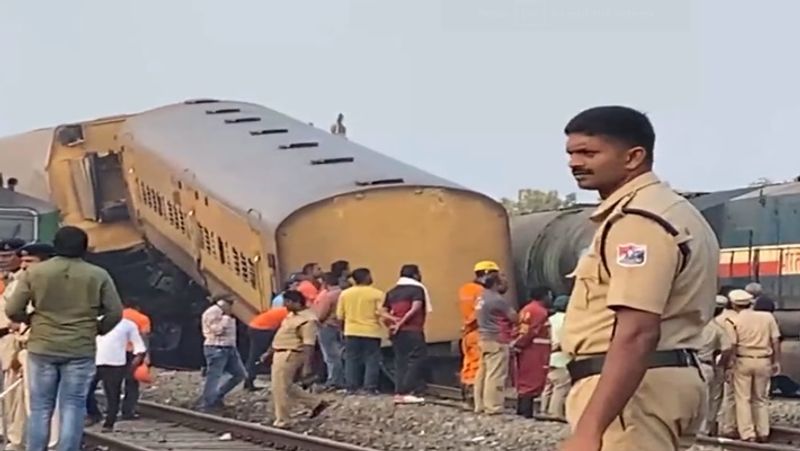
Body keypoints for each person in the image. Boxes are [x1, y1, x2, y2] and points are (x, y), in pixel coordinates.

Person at [557, 106, 719, 451]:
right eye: (571, 153)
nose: (574, 162)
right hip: (656, 382)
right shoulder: (674, 211)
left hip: (632, 393)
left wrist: (590, 429)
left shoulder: (639, 221)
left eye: (588, 152)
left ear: (633, 157)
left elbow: (637, 332)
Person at [6, 226, 124, 451]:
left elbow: (13, 309)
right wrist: (97, 328)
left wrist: (30, 320)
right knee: (73, 404)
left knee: (40, 406)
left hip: (42, 346)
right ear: (84, 247)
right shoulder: (98, 274)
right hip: (80, 348)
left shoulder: (35, 273)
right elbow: (115, 312)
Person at [2, 242, 58, 450]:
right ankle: (17, 441)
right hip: (16, 346)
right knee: (16, 402)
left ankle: (50, 444)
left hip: (38, 345)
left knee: (38, 400)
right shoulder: (19, 281)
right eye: (23, 260)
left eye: (29, 261)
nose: (24, 265)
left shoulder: (51, 284)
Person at [266, 290, 330, 427]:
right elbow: (282, 335)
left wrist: (307, 366)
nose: (285, 305)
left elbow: (308, 344)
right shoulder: (291, 316)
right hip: (280, 351)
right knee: (286, 386)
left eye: (288, 302)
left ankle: (282, 420)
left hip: (290, 353)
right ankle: (316, 403)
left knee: (279, 388)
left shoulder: (307, 320)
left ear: (296, 302)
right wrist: (269, 352)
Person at [726, 289, 781, 443]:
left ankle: (748, 433)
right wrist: (776, 361)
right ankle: (763, 431)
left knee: (743, 398)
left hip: (743, 360)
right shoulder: (768, 317)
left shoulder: (733, 320)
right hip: (764, 360)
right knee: (761, 398)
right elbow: (775, 341)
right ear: (750, 302)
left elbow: (732, 344)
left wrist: (730, 364)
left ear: (733, 304)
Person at [86, 317, 147, 431]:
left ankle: (109, 422)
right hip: (93, 362)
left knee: (112, 394)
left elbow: (139, 346)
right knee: (85, 390)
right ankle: (94, 414)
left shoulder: (127, 324)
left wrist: (134, 364)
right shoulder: (92, 322)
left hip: (116, 364)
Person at [383, 264, 432, 404]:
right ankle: (407, 390)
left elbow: (381, 311)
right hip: (412, 330)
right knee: (417, 358)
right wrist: (402, 322)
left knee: (400, 361)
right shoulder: (417, 289)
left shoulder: (392, 291)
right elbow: (415, 308)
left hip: (397, 333)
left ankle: (399, 392)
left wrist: (394, 321)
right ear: (415, 274)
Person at [335, 268, 386, 393]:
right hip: (371, 331)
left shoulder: (345, 294)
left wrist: (342, 330)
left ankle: (351, 387)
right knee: (372, 359)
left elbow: (340, 316)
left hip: (351, 331)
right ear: (367, 277)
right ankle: (370, 387)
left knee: (351, 359)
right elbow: (382, 313)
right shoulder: (377, 294)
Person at [473, 271, 517, 415]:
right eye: (503, 282)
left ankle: (479, 405)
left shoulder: (481, 297)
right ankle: (493, 407)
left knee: (482, 374)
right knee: (496, 375)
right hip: (497, 339)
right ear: (496, 284)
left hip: (483, 338)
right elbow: (514, 317)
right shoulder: (497, 299)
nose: (505, 285)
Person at [198, 294, 246, 411]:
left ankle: (217, 396)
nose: (232, 305)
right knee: (214, 376)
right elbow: (217, 330)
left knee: (240, 374)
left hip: (229, 347)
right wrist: (225, 317)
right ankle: (208, 403)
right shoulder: (213, 312)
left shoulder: (226, 313)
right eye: (230, 303)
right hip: (216, 347)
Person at [458, 261, 500, 394]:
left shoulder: (464, 289)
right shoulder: (482, 292)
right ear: (487, 274)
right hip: (478, 331)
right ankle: (475, 395)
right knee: (479, 364)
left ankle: (466, 391)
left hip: (467, 333)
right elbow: (479, 311)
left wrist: (466, 326)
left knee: (469, 362)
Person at [512, 286, 552, 418]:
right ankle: (526, 412)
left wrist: (517, 343)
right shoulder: (540, 312)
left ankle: (521, 410)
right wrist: (520, 343)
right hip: (536, 350)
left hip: (527, 348)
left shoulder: (526, 309)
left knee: (525, 378)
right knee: (533, 379)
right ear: (544, 296)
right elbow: (531, 331)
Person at [698, 295, 733, 437]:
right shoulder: (717, 329)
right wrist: (721, 364)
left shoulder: (695, 325)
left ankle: (695, 429)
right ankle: (706, 428)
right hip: (708, 366)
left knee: (698, 400)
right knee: (713, 398)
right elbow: (727, 348)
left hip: (692, 364)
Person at [540, 295, 571, 419]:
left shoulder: (549, 319)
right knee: (561, 385)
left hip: (548, 356)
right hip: (561, 357)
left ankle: (543, 410)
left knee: (548, 386)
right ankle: (555, 413)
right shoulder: (567, 319)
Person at [312, 272, 345, 390]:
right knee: (340, 353)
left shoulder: (328, 296)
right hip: (340, 326)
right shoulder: (343, 293)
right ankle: (342, 379)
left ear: (325, 283)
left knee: (330, 356)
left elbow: (321, 315)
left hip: (327, 327)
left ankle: (334, 380)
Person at [244, 305, 288, 391]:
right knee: (256, 356)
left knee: (255, 355)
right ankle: (249, 380)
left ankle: (249, 379)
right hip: (261, 329)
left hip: (256, 325)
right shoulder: (290, 314)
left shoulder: (284, 310)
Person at [120, 299, 151, 419]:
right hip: (134, 354)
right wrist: (147, 355)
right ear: (137, 307)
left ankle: (110, 409)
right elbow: (144, 337)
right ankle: (127, 411)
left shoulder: (117, 316)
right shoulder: (142, 318)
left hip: (115, 352)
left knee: (113, 383)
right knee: (132, 383)